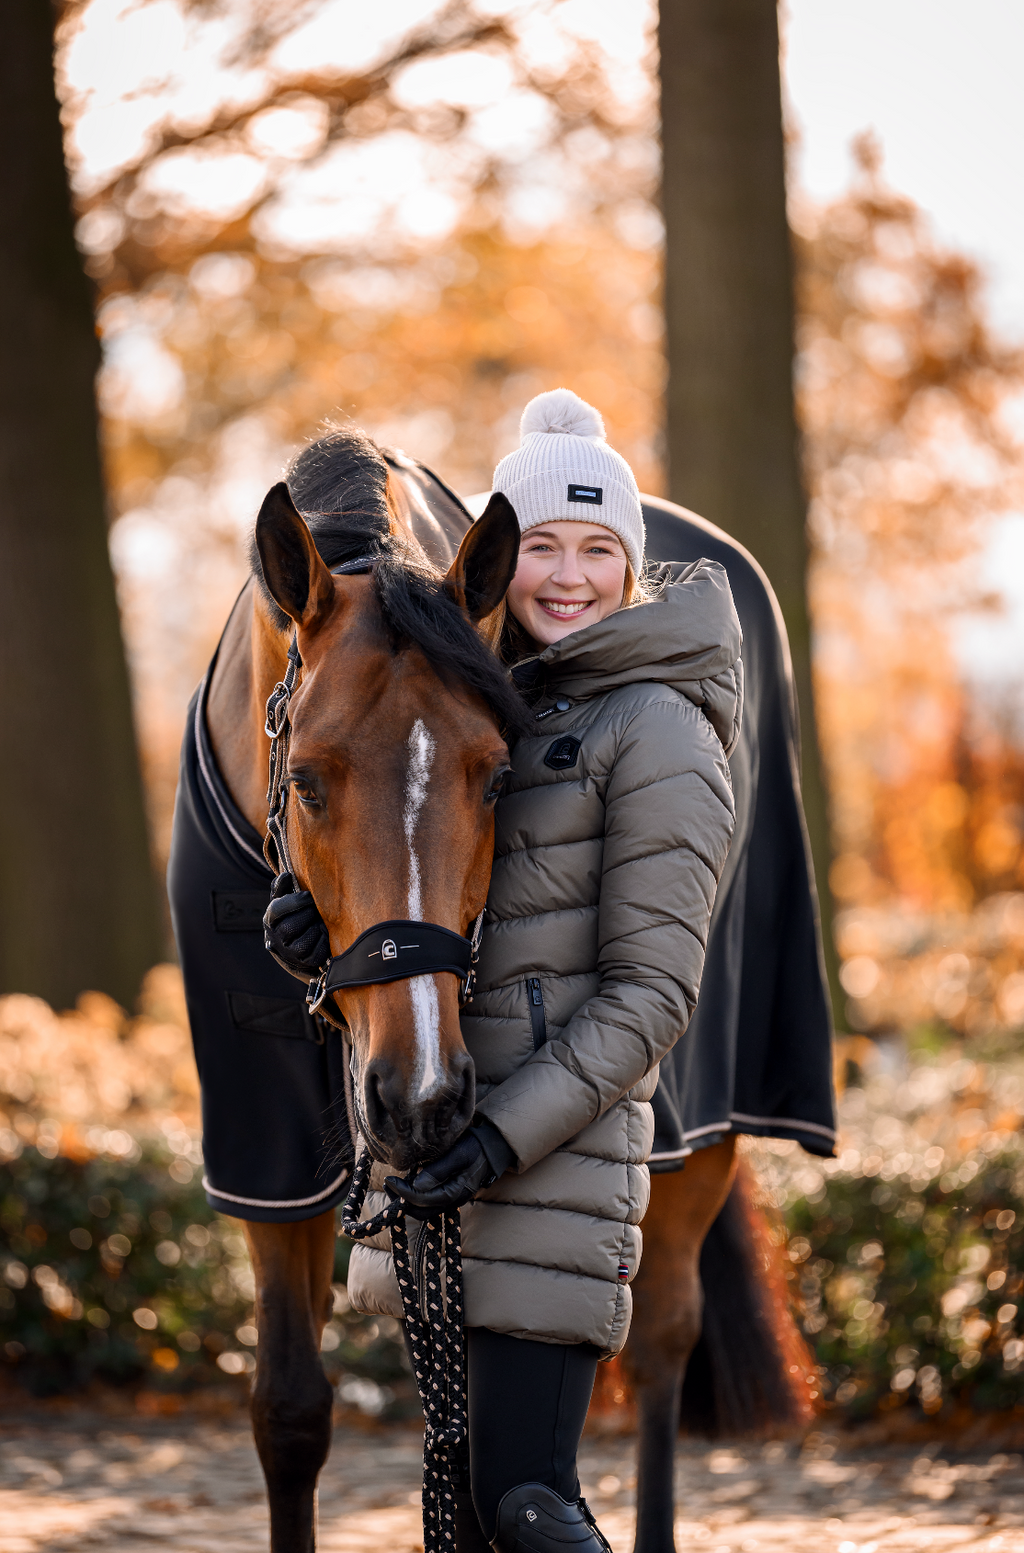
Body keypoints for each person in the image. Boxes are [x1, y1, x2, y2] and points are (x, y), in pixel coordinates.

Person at [347, 388, 742, 1553]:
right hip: (443, 1161)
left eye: (598, 547)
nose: (567, 575)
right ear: (496, 560)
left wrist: (497, 1139)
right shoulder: (486, 708)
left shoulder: (656, 726)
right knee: (465, 1521)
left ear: (630, 565)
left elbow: (650, 994)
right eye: (541, 546)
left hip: (545, 1172)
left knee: (528, 1506)